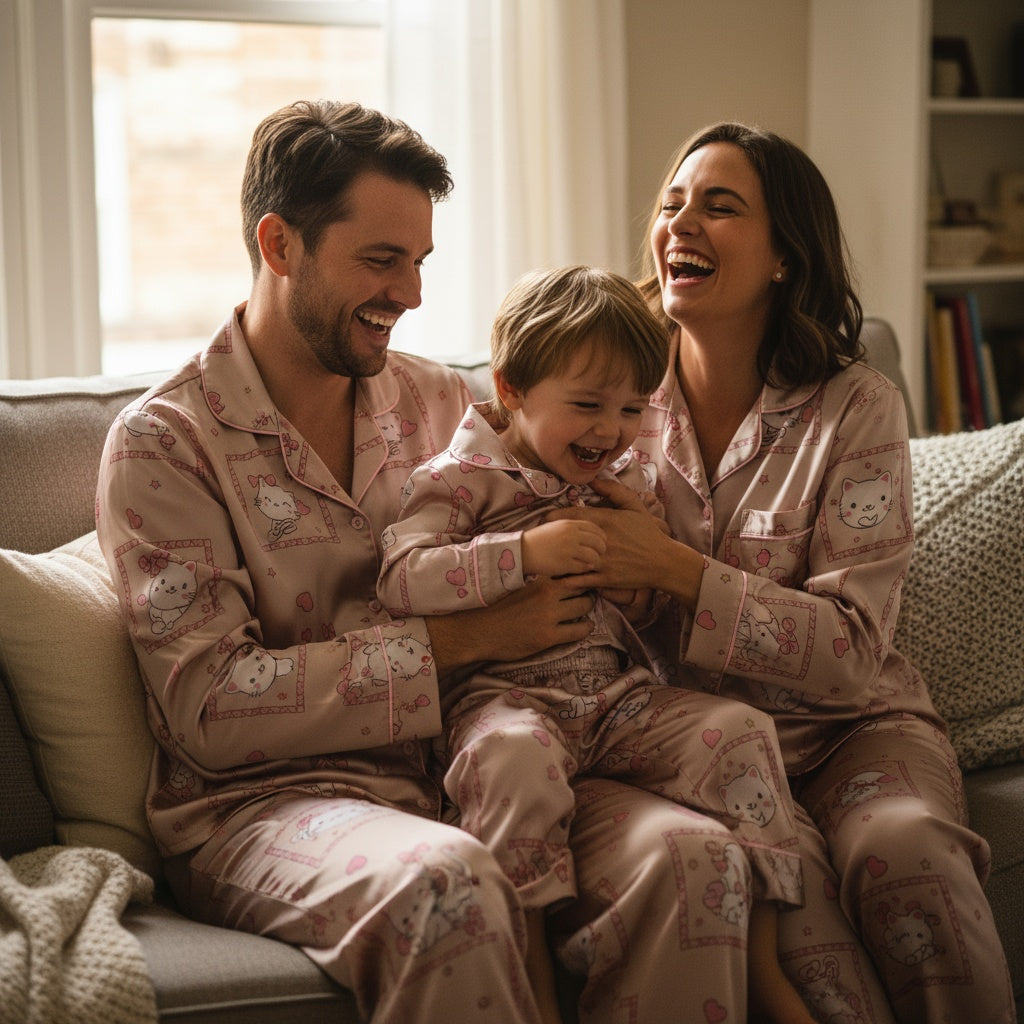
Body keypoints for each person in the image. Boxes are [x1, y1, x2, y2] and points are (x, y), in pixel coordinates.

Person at [92, 100, 790, 1024]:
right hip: (269, 803)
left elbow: (575, 489)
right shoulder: (166, 446)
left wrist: (630, 548)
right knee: (449, 884)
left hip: (479, 767)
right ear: (279, 244)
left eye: (420, 261)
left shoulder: (438, 398)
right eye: (382, 260)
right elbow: (213, 710)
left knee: (694, 858)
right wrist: (465, 640)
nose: (412, 294)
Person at [552, 121, 1016, 1023]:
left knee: (910, 850)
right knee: (804, 932)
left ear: (782, 257)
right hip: (705, 751)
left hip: (854, 730)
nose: (681, 222)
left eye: (720, 206)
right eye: (671, 204)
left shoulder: (858, 407)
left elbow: (848, 653)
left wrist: (682, 573)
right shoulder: (606, 397)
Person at [377, 264, 812, 1024]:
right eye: (587, 405)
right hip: (506, 704)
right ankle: (534, 972)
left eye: (630, 409)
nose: (610, 431)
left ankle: (768, 966)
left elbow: (647, 615)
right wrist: (524, 554)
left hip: (616, 703)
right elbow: (402, 579)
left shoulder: (618, 480)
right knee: (509, 762)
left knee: (742, 731)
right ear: (512, 388)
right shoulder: (463, 477)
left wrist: (636, 573)